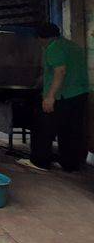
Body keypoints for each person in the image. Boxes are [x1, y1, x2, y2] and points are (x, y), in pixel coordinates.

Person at [21, 23, 90, 172]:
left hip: (62, 96)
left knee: (43, 127)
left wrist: (50, 96)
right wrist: (43, 79)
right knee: (71, 130)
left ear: (42, 38)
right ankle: (70, 164)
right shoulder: (73, 46)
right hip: (80, 94)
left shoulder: (53, 47)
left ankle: (40, 162)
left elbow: (60, 71)